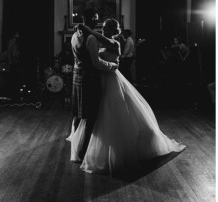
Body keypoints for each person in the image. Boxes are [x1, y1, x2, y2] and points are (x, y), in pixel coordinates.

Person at [70, 19, 185, 176]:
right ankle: (93, 146)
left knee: (113, 113)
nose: (103, 31)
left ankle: (117, 148)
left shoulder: (114, 43)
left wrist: (112, 65)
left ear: (113, 31)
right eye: (103, 28)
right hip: (99, 79)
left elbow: (101, 51)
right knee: (98, 115)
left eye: (107, 28)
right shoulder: (98, 40)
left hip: (110, 78)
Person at [67, 8, 119, 162]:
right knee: (90, 117)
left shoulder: (75, 35)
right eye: (96, 18)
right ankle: (82, 154)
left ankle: (75, 148)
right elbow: (95, 63)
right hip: (89, 79)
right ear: (91, 20)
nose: (98, 21)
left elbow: (78, 58)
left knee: (77, 115)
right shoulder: (91, 38)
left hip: (77, 76)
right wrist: (112, 66)